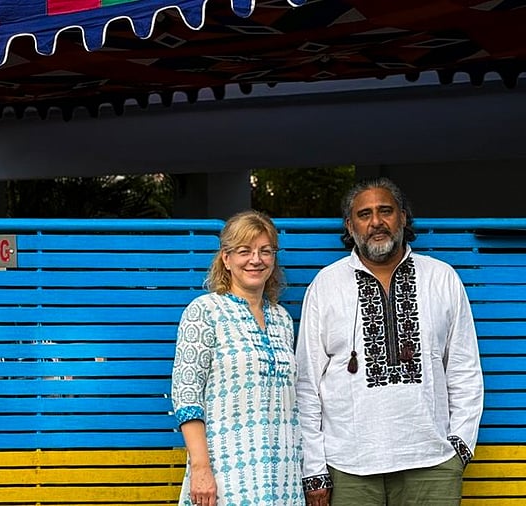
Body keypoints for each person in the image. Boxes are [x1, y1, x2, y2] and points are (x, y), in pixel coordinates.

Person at [295, 178, 484, 506]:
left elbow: (465, 371)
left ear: (404, 217)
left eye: (386, 211)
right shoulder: (326, 286)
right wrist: (315, 470)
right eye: (364, 214)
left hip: (432, 463)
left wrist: (460, 448)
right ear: (349, 225)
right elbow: (307, 385)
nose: (376, 222)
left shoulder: (441, 278)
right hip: (348, 468)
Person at [171, 210, 304, 506]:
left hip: (283, 477)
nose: (255, 259)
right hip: (227, 474)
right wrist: (201, 469)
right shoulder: (204, 311)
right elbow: (186, 394)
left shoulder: (281, 319)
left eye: (265, 251)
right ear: (226, 258)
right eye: (244, 251)